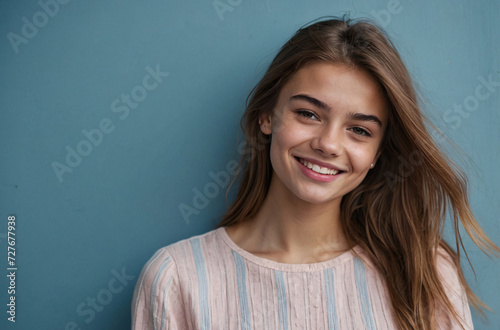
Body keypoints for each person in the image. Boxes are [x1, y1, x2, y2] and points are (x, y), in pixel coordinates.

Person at [131, 16, 499, 329]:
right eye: (308, 113)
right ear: (266, 117)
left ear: (377, 153)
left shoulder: (424, 272)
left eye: (360, 130)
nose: (328, 144)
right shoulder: (177, 278)